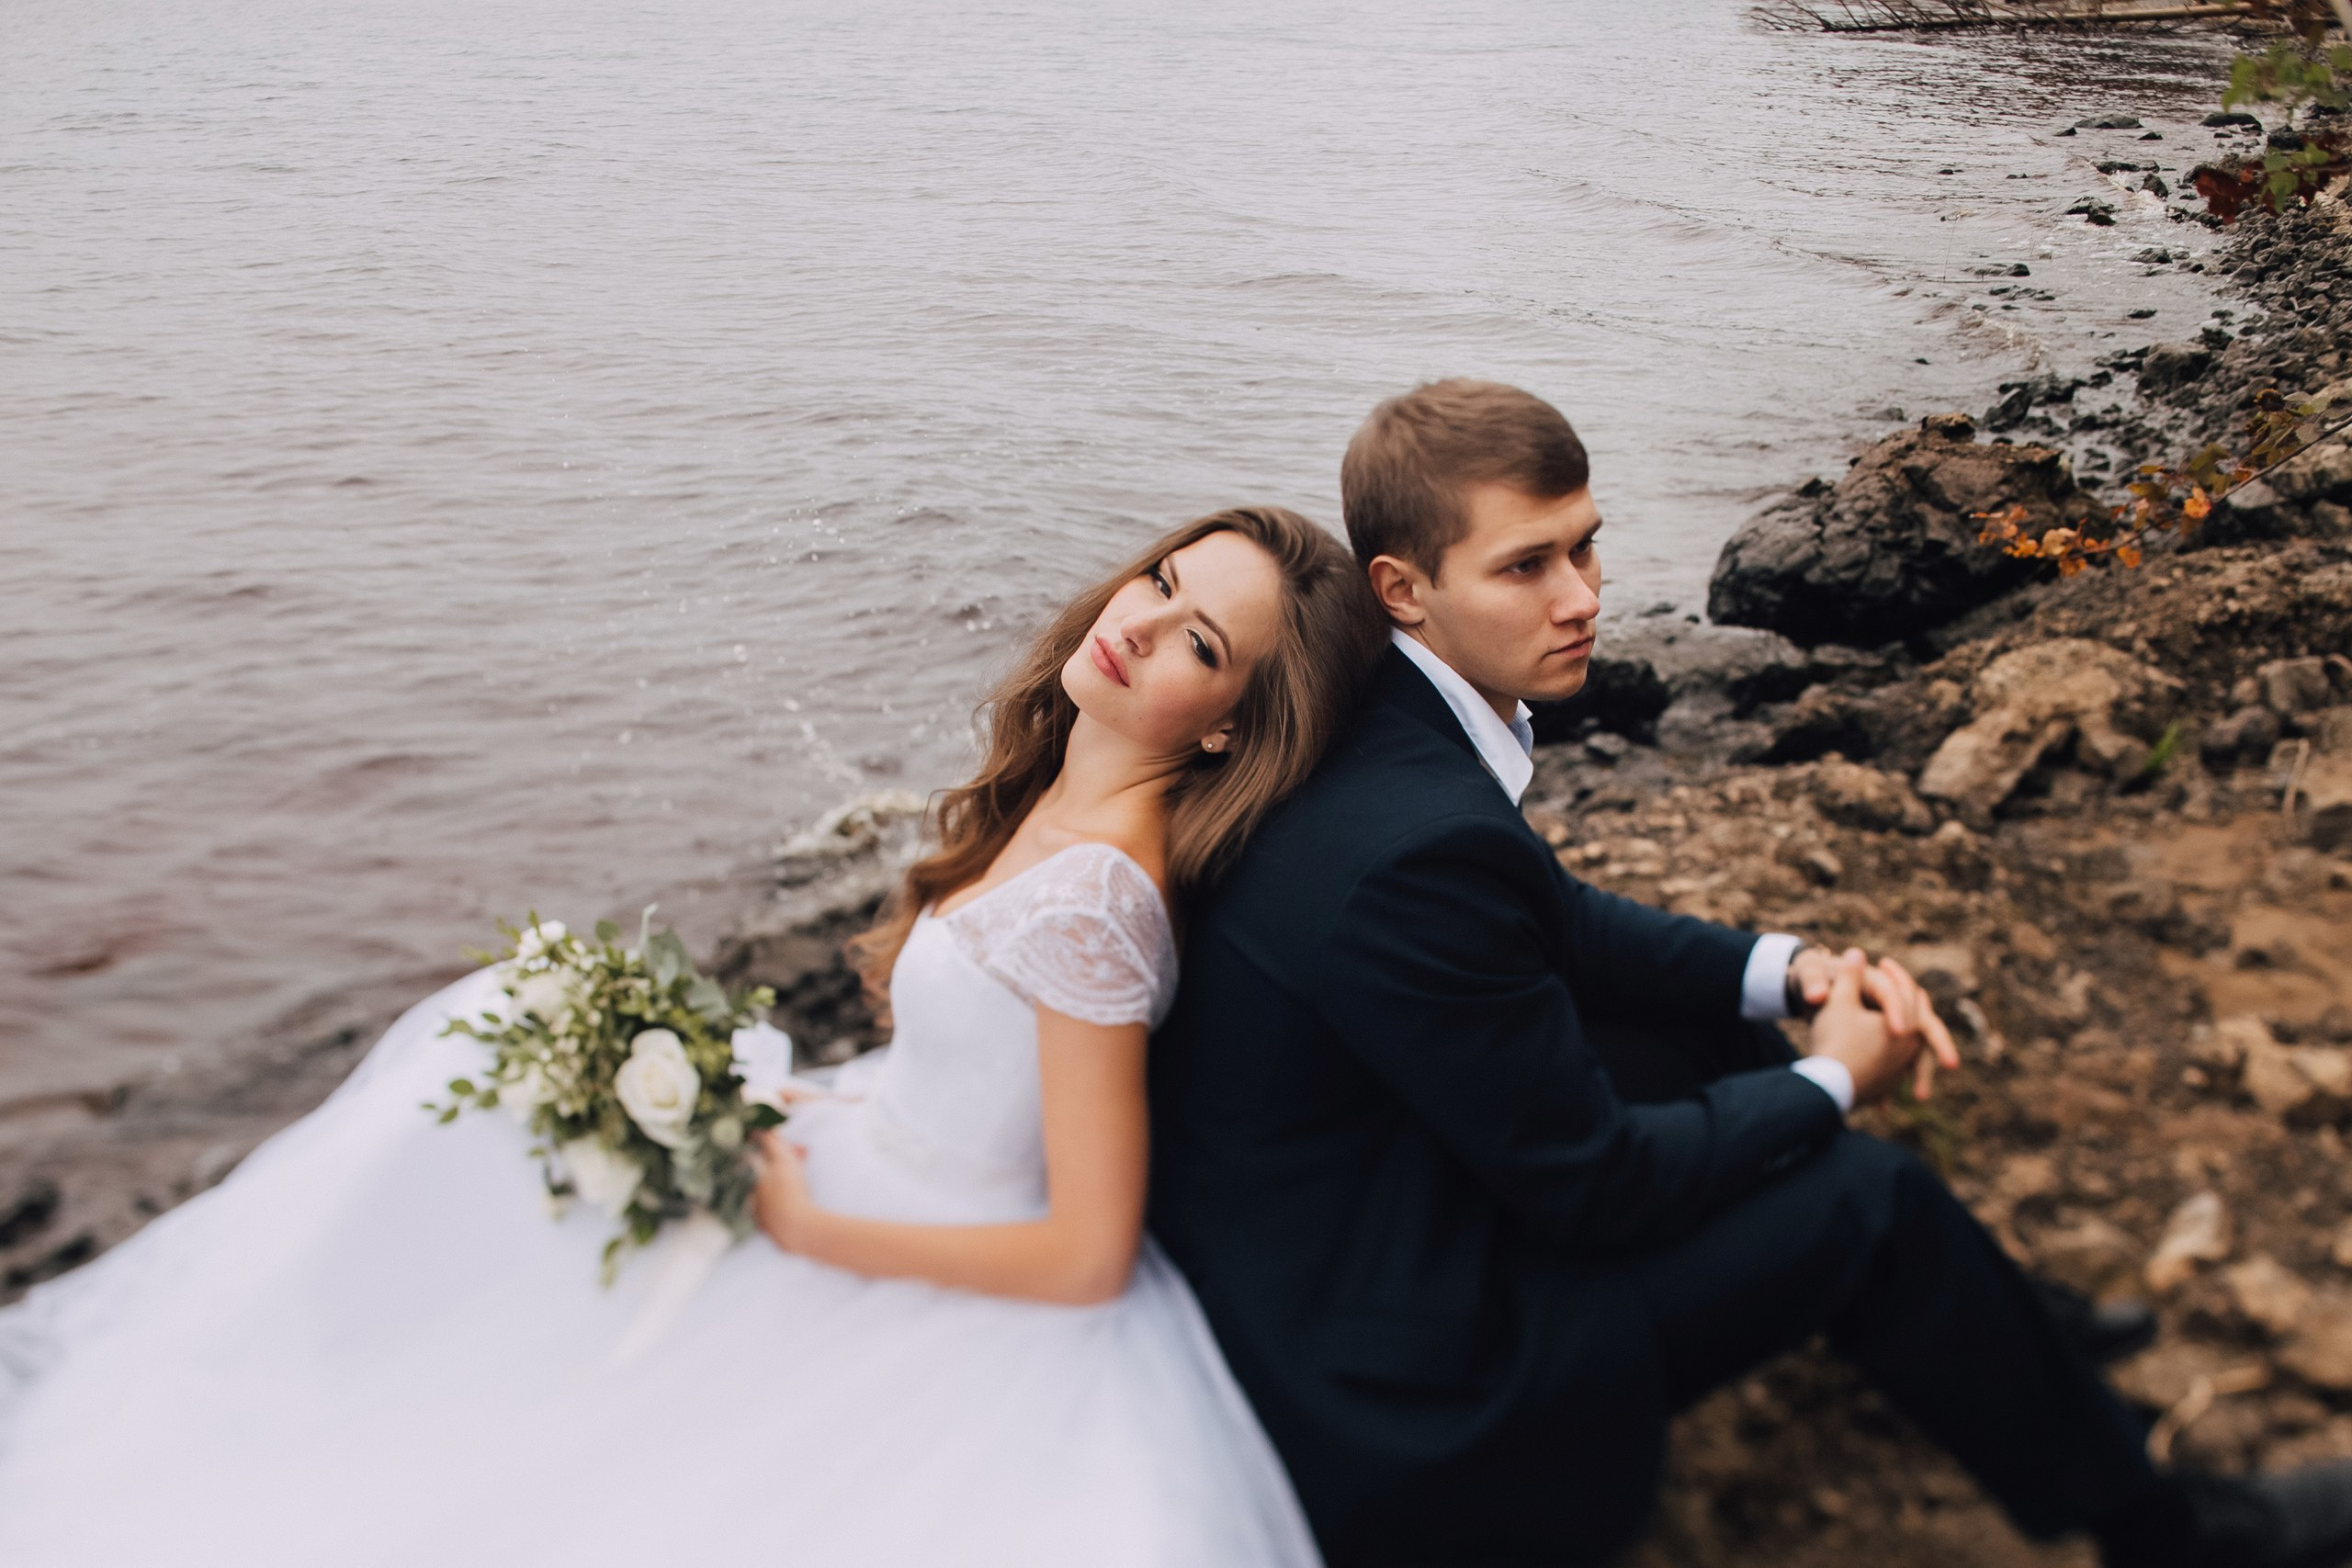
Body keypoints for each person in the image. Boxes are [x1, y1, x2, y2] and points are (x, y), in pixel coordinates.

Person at [0, 504, 1388, 1567]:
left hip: (937, 1269)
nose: (1140, 625)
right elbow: (963, 1071)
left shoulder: (1101, 897)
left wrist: (814, 1233)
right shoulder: (1065, 803)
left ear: (1229, 729)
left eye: (1200, 643)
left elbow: (1086, 1253)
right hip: (865, 1149)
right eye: (1160, 581)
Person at [1147, 380, 2352, 1568]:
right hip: (1406, 1385)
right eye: (1528, 568)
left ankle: (2001, 1330)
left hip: (1338, 1225)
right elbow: (1593, 1186)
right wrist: (1831, 1082)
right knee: (1874, 1201)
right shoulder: (1412, 832)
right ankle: (2187, 1540)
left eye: (1587, 548)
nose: (1581, 600)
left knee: (1698, 1035)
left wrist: (1791, 973)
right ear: (1401, 589)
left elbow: (1549, 922)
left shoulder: (1371, 718)